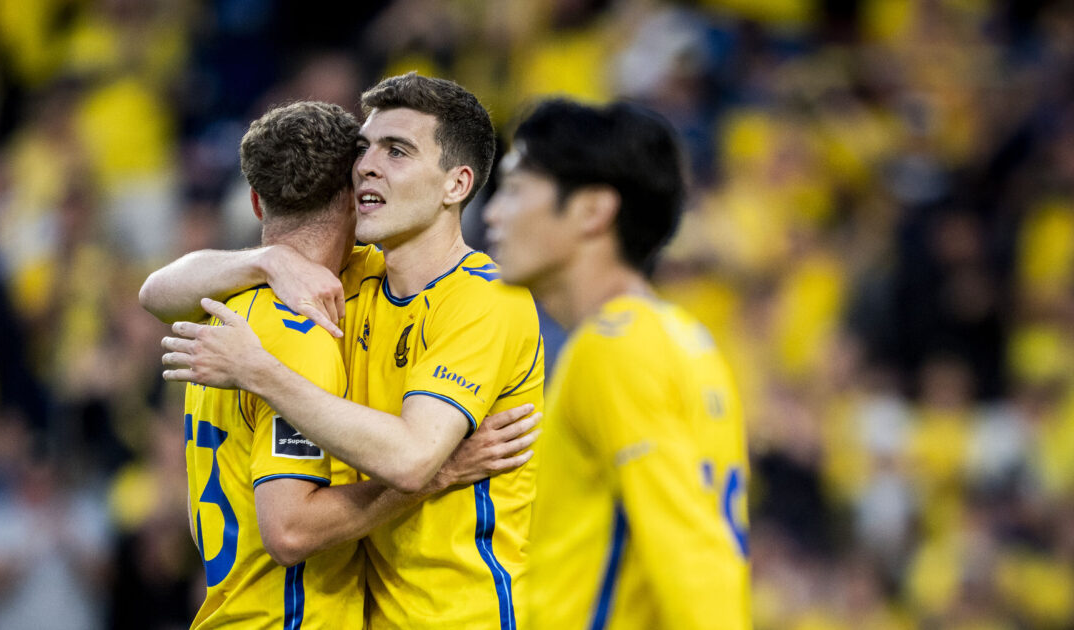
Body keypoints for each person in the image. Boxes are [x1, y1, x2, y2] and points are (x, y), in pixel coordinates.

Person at [151, 73, 544, 630]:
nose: (366, 165)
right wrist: (265, 261)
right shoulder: (347, 281)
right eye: (364, 149)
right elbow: (156, 292)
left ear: (456, 185)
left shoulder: (485, 298)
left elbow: (411, 460)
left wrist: (258, 371)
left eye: (397, 150)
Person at [482, 99, 751, 629]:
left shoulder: (613, 348)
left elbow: (691, 552)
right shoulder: (686, 338)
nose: (491, 213)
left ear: (592, 210)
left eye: (514, 190)